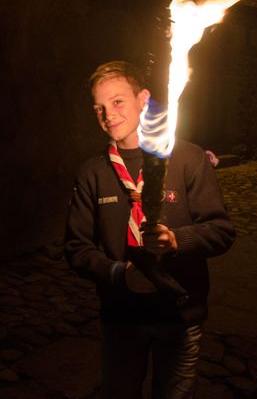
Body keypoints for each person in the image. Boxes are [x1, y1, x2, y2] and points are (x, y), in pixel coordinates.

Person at [64, 61, 235, 399]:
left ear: (143, 98)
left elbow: (221, 230)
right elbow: (76, 248)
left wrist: (177, 240)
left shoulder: (187, 157)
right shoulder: (92, 173)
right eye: (99, 107)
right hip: (121, 317)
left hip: (180, 315)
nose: (108, 114)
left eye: (117, 101)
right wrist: (116, 273)